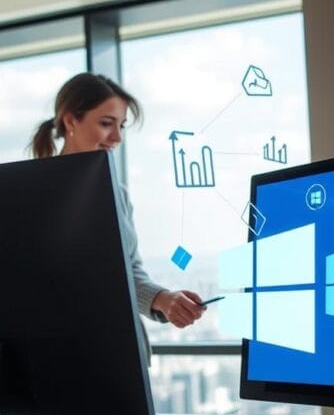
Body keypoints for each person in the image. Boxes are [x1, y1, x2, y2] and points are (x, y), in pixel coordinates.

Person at [30, 73, 205, 328]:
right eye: (106, 123)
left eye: (121, 125)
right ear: (70, 120)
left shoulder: (118, 194)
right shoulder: (33, 193)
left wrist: (164, 300)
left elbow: (128, 270)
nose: (117, 137)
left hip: (119, 348)